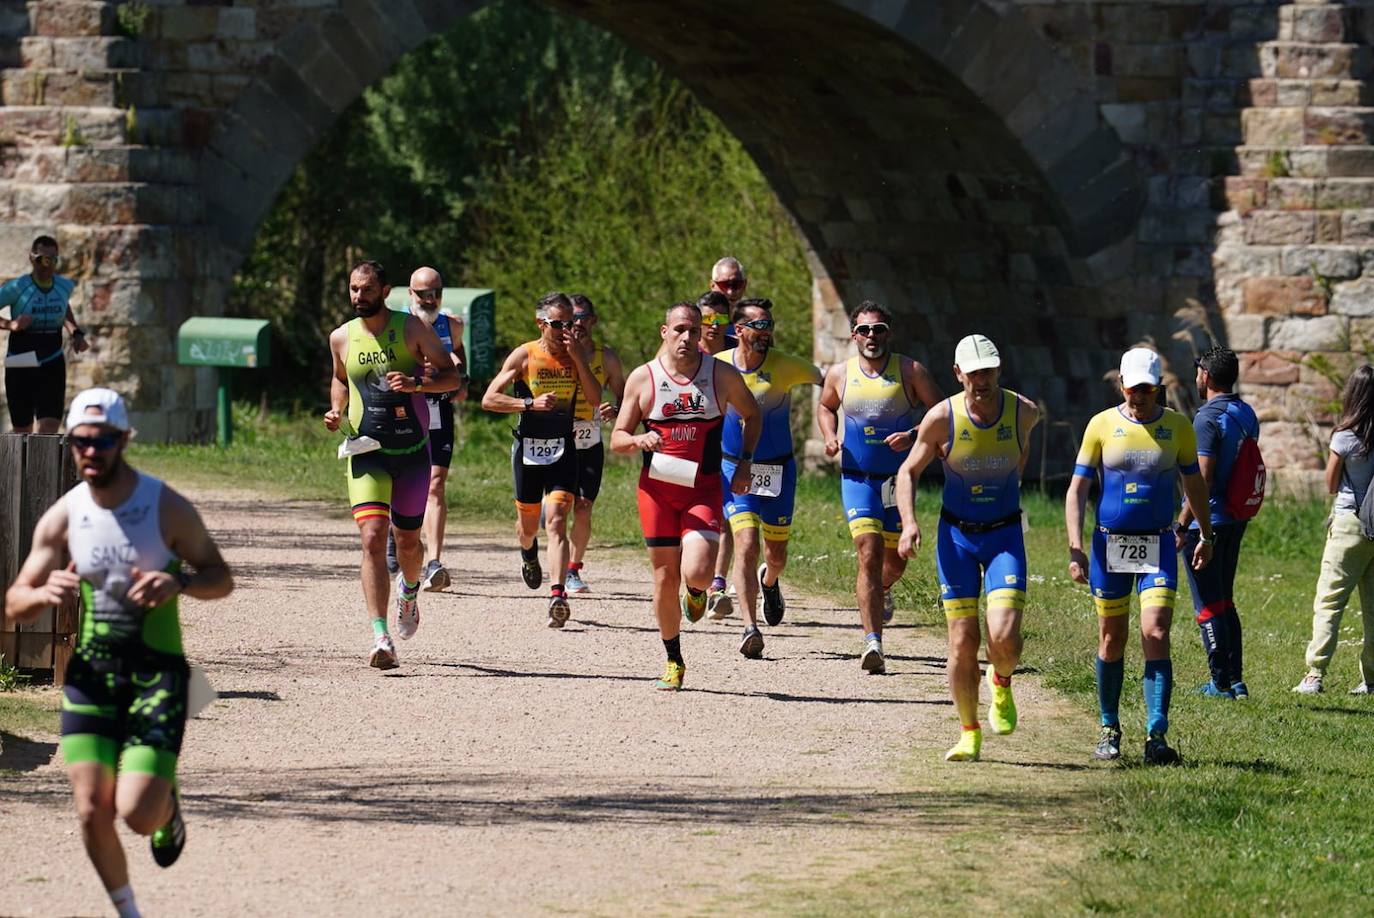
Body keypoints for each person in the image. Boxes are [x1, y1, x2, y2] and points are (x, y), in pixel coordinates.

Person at [5, 388, 233, 918]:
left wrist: (176, 585)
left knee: (134, 814)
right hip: (91, 675)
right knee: (90, 811)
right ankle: (128, 911)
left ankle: (165, 804)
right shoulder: (64, 516)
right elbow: (14, 602)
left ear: (124, 440)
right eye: (81, 441)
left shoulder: (165, 506)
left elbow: (220, 578)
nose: (90, 451)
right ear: (71, 444)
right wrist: (42, 594)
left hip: (157, 678)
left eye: (103, 440)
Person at [1065, 347, 1214, 765]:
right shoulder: (1101, 425)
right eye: (1133, 389)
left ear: (1159, 388)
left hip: (1158, 543)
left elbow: (1194, 486)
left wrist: (1206, 532)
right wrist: (1075, 546)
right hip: (1109, 544)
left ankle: (1156, 734)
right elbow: (1077, 490)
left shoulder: (1178, 428)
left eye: (1148, 389)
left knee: (1157, 632)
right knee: (1112, 638)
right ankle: (1109, 726)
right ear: (1122, 386)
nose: (1140, 396)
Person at [896, 335, 1040, 762]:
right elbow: (908, 472)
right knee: (961, 640)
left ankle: (1001, 681)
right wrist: (908, 524)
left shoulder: (1024, 413)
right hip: (956, 537)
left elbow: (1019, 459)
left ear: (999, 370)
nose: (982, 380)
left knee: (1004, 638)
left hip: (1003, 537)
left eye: (988, 370)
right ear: (957, 374)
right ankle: (968, 732)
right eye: (973, 372)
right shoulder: (942, 418)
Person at [610, 301, 760, 690]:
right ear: (665, 332)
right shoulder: (644, 378)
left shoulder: (720, 375)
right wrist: (639, 438)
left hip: (703, 488)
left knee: (697, 571)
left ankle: (696, 592)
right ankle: (673, 659)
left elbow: (753, 414)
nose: (687, 337)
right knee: (663, 578)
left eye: (694, 330)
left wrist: (744, 462)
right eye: (679, 330)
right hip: (657, 492)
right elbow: (617, 437)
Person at [323, 261, 459, 668]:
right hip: (366, 451)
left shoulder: (412, 329)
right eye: (352, 290)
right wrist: (335, 410)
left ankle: (410, 592)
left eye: (366, 290)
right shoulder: (341, 337)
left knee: (408, 543)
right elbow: (340, 380)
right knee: (372, 538)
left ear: (384, 290)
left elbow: (453, 378)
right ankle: (381, 637)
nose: (358, 297)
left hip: (413, 452)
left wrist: (418, 384)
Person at [817, 300, 942, 673]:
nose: (872, 336)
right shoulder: (841, 374)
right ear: (854, 335)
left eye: (879, 329)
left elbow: (942, 415)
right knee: (868, 551)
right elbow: (826, 407)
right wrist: (829, 436)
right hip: (857, 479)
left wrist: (914, 434)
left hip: (897, 482)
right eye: (865, 330)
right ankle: (873, 643)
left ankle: (884, 590)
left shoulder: (910, 371)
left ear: (889, 332)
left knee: (895, 561)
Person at [481, 292, 601, 627]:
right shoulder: (525, 355)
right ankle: (528, 552)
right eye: (558, 324)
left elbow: (594, 399)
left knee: (559, 519)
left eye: (571, 323)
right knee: (528, 527)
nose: (565, 330)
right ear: (541, 324)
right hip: (528, 451)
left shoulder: (576, 355)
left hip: (564, 448)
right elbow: (489, 399)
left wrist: (578, 359)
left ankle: (557, 594)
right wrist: (528, 405)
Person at [716, 297, 822, 658]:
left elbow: (831, 381)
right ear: (739, 330)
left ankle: (770, 580)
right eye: (758, 325)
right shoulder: (718, 366)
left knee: (776, 554)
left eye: (769, 325)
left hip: (778, 469)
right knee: (745, 542)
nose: (766, 332)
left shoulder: (786, 366)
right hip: (734, 467)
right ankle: (749, 627)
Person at [1176, 346, 1258, 699]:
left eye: (1198, 372)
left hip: (1206, 522)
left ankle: (1220, 683)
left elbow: (1203, 479)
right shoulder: (1246, 412)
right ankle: (1236, 679)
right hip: (1236, 516)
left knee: (1207, 603)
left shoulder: (1206, 419)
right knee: (1225, 598)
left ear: (1205, 376)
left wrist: (1181, 523)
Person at [384, 266, 467, 592]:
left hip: (437, 412)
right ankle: (396, 538)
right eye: (423, 294)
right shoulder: (397, 325)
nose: (430, 299)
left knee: (435, 484)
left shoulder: (454, 325)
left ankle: (434, 561)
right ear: (410, 294)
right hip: (403, 412)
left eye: (436, 293)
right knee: (401, 480)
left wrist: (461, 380)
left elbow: (459, 358)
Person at [1294, 365, 1374, 696]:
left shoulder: (1345, 436)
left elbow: (1329, 483)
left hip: (1349, 524)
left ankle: (1314, 674)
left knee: (1330, 601)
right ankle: (1371, 680)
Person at [563, 294, 626, 594]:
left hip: (589, 439)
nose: (577, 325)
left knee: (584, 506)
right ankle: (548, 556)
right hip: (556, 439)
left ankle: (573, 569)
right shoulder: (554, 354)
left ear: (593, 321)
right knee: (557, 507)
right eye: (571, 319)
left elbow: (625, 396)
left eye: (583, 318)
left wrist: (615, 409)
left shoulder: (607, 358)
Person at [1, 234, 89, 432]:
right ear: (32, 258)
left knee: (49, 428)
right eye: (42, 258)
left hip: (51, 358)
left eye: (53, 259)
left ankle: (44, 464)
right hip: (21, 358)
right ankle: (22, 464)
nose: (47, 264)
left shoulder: (64, 286)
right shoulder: (17, 287)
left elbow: (62, 307)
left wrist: (75, 332)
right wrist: (11, 324)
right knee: (22, 430)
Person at [699, 287, 739, 617]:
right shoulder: (682, 350)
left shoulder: (737, 354)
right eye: (707, 318)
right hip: (688, 447)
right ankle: (694, 580)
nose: (713, 325)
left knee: (725, 518)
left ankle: (718, 584)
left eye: (720, 319)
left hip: (726, 447)